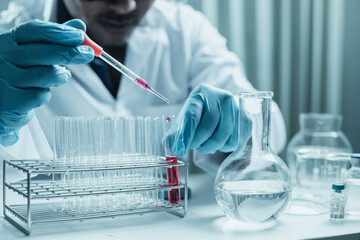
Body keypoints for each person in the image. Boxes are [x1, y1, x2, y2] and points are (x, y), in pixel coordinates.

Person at [0, 0, 286, 175]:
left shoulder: (186, 30)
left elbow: (268, 127)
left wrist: (239, 124)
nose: (125, 6)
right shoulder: (9, 38)